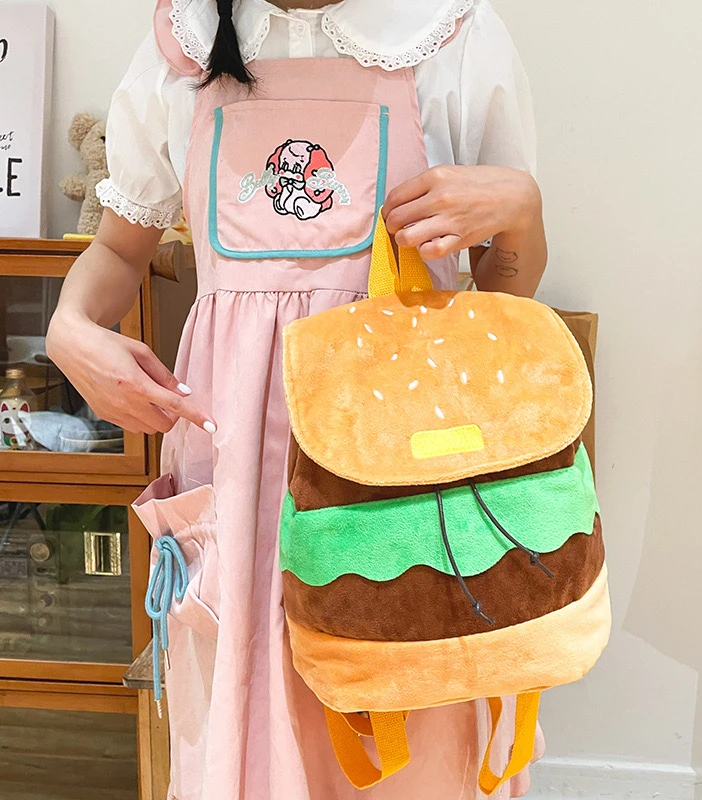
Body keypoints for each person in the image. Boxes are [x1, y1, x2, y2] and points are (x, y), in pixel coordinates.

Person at [46, 1, 548, 798]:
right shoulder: (184, 46)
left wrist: (521, 213)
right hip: (236, 468)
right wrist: (69, 327)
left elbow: (505, 290)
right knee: (242, 706)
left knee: (407, 716)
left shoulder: (448, 33)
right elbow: (117, 246)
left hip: (398, 461)